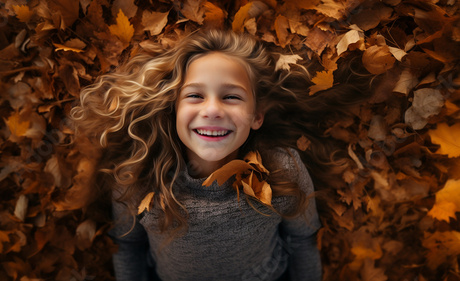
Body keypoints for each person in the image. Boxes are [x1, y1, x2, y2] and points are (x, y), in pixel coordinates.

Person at [71, 29, 359, 281]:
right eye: (195, 95)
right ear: (173, 109)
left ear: (257, 115)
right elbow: (129, 246)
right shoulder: (139, 175)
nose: (212, 110)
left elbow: (302, 239)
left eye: (231, 96)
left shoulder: (282, 168)